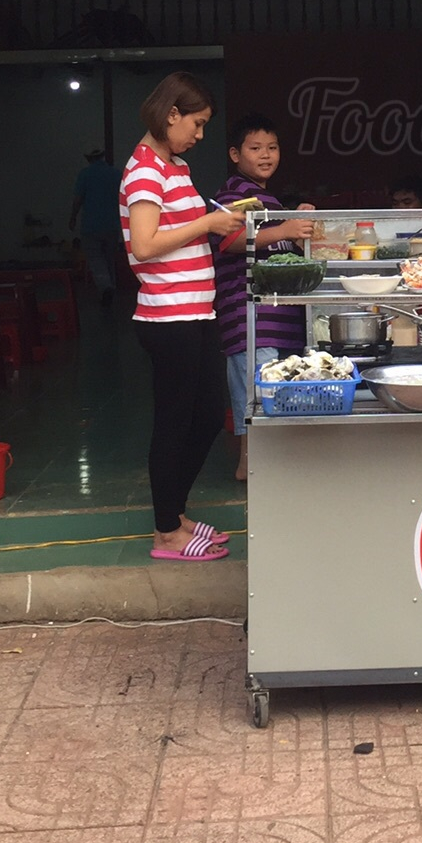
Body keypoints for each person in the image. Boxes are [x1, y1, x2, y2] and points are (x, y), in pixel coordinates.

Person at [120, 73, 246, 561]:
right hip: (168, 317)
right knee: (175, 422)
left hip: (195, 311)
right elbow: (144, 244)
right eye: (197, 123)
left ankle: (174, 514)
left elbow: (177, 227)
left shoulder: (175, 166)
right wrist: (207, 222)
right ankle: (166, 531)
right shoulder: (144, 171)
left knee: (209, 415)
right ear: (172, 114)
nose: (199, 134)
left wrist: (215, 221)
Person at [213, 114, 317, 483]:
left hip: (279, 322)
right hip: (251, 322)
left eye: (272, 147)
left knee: (274, 397)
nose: (266, 155)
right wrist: (285, 228)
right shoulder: (235, 193)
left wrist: (296, 223)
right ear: (235, 154)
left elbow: (281, 246)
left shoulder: (268, 200)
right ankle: (251, 468)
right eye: (255, 148)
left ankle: (262, 469)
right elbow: (229, 240)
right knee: (257, 400)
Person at [69, 148, 121, 306]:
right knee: (109, 258)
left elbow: (78, 199)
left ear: (88, 158)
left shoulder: (85, 175)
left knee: (96, 259)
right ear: (102, 156)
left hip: (91, 226)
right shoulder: (116, 174)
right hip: (112, 224)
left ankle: (105, 287)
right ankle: (112, 289)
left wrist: (72, 218)